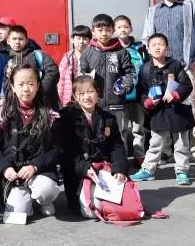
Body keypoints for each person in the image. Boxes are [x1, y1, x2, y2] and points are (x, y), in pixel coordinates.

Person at [142, 0, 195, 167]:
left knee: (194, 107)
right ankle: (165, 150)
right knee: (163, 107)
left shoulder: (190, 7)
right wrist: (153, 64)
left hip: (187, 67)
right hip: (162, 70)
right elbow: (147, 38)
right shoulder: (153, 11)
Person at [0, 65, 61, 218]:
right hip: (15, 174)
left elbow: (55, 149)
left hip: (39, 172)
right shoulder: (3, 115)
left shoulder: (49, 115)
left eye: (30, 83)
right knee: (18, 213)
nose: (26, 89)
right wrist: (5, 169)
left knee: (45, 190)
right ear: (13, 87)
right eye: (20, 84)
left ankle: (43, 201)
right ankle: (26, 197)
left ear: (38, 86)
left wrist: (34, 166)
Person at [55, 75, 127, 217]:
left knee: (120, 202)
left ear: (97, 92)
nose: (87, 97)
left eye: (90, 91)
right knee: (92, 210)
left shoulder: (108, 118)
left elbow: (117, 146)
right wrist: (84, 168)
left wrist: (119, 169)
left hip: (104, 171)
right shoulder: (66, 118)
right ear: (75, 97)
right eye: (81, 93)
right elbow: (65, 152)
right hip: (79, 174)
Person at [130, 33, 194, 186]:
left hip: (178, 110)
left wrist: (176, 94)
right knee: (155, 142)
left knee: (181, 143)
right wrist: (147, 102)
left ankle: (182, 171)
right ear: (148, 49)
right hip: (158, 112)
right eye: (153, 45)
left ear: (167, 48)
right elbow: (141, 91)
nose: (157, 47)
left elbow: (187, 85)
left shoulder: (176, 65)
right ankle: (148, 169)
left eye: (161, 44)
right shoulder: (145, 69)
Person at [79, 14, 134, 147]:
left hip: (116, 103)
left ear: (113, 30)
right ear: (93, 31)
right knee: (96, 133)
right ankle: (99, 157)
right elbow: (81, 75)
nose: (104, 33)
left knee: (119, 133)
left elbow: (130, 72)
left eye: (108, 30)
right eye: (100, 30)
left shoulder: (121, 52)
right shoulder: (88, 52)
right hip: (94, 104)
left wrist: (126, 86)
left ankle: (120, 158)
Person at [114, 15, 149, 165]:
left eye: (126, 26)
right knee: (121, 129)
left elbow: (147, 68)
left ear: (131, 29)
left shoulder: (140, 48)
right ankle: (122, 157)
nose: (123, 29)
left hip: (137, 95)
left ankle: (139, 155)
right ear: (114, 30)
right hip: (120, 97)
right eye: (119, 27)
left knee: (138, 128)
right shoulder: (113, 48)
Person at [0, 25, 60, 109]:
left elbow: (53, 72)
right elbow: (7, 84)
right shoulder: (10, 62)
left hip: (44, 104)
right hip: (20, 107)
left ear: (26, 41)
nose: (17, 42)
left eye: (20, 39)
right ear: (8, 41)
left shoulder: (38, 55)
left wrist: (38, 91)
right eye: (14, 39)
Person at [57, 25, 91, 108]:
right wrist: (61, 99)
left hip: (88, 96)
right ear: (72, 39)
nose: (81, 42)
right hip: (71, 97)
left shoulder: (92, 57)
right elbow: (61, 81)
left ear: (89, 41)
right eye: (78, 38)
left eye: (85, 39)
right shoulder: (67, 58)